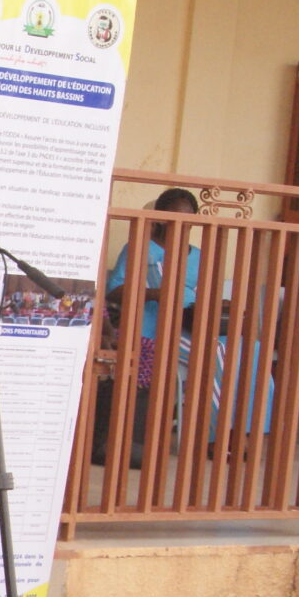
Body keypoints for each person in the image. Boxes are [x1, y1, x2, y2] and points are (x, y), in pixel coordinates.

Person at [94, 188, 202, 467]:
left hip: (189, 326)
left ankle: (229, 436)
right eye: (173, 217)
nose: (181, 225)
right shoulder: (140, 248)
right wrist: (155, 293)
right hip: (148, 329)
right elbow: (113, 290)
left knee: (243, 355)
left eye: (188, 219)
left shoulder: (198, 256)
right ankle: (137, 444)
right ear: (159, 218)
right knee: (210, 361)